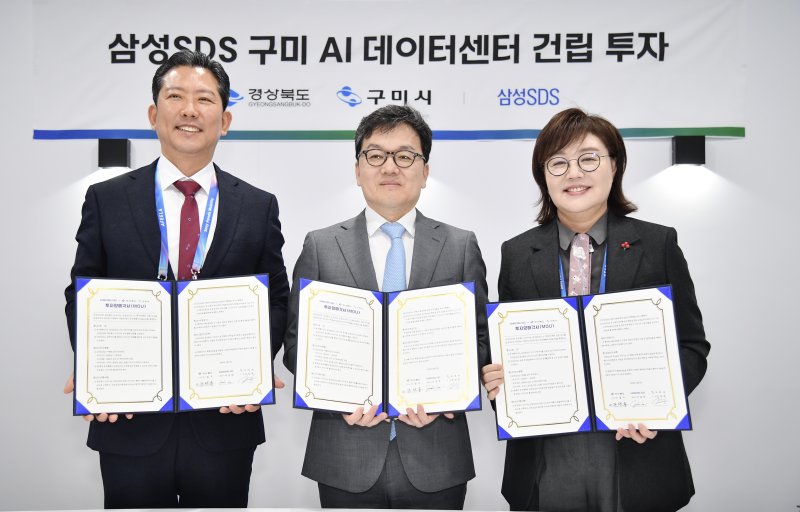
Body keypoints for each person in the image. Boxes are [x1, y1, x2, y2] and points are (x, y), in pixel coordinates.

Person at [62, 50, 290, 508]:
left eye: (204, 99)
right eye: (175, 97)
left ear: (224, 121)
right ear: (154, 115)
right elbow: (82, 291)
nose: (189, 110)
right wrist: (94, 367)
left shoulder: (257, 205)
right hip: (129, 418)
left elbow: (276, 299)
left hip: (225, 419)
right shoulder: (106, 198)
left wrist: (252, 369)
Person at [481, 108, 710, 512]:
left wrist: (658, 408)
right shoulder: (516, 254)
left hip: (635, 449)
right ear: (543, 175)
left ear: (614, 165)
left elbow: (691, 346)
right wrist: (498, 379)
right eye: (558, 162)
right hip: (547, 453)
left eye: (588, 159)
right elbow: (505, 350)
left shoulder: (657, 244)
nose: (574, 173)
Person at [282, 104, 489, 509]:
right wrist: (337, 398)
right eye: (375, 155)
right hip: (344, 453)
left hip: (437, 454)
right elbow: (296, 346)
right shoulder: (321, 245)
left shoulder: (460, 245)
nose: (390, 167)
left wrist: (446, 398)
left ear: (425, 172)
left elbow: (481, 341)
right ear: (358, 170)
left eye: (405, 156)